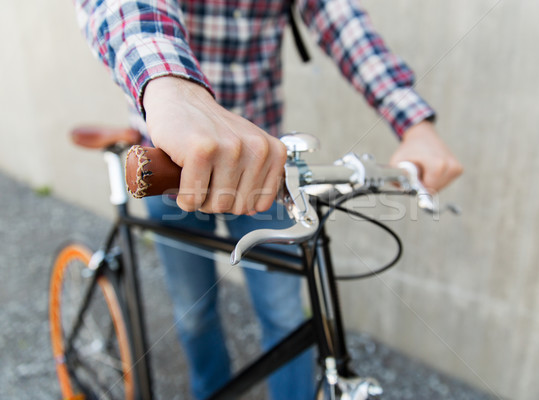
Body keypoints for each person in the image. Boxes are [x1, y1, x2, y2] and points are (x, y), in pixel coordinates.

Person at [74, 0, 463, 399]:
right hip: (172, 167)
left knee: (287, 316)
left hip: (265, 169)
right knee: (193, 314)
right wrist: (170, 85)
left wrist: (412, 121)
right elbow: (129, 8)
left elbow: (341, 21)